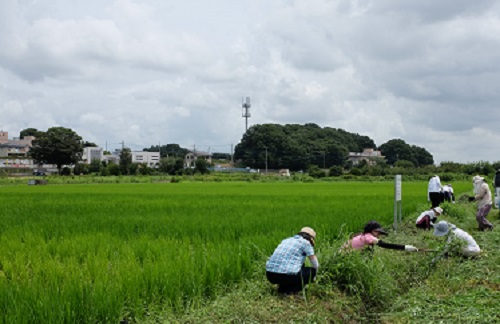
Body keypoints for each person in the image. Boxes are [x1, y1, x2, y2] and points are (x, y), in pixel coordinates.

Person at [266, 227, 319, 294]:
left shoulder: (286, 240)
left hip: (270, 275)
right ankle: (290, 290)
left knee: (300, 266)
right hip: (286, 276)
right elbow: (315, 264)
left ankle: (282, 288)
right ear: (310, 238)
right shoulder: (306, 243)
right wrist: (315, 275)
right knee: (312, 272)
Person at [342, 221, 419, 252]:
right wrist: (405, 247)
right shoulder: (369, 237)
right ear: (371, 230)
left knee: (369, 251)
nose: (379, 234)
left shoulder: (363, 235)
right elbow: (385, 245)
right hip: (344, 257)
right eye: (377, 232)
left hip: (345, 255)